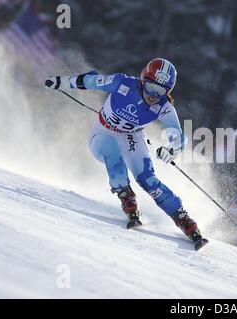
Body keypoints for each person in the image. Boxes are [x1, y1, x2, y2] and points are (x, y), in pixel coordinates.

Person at [45, 58, 206, 246]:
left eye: (160, 91)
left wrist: (173, 149)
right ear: (143, 80)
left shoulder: (163, 106)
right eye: (151, 87)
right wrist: (61, 82)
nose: (153, 95)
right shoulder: (121, 83)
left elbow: (176, 133)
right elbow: (90, 81)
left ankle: (182, 217)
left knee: (148, 179)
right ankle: (126, 197)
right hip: (102, 133)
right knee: (113, 154)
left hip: (131, 137)